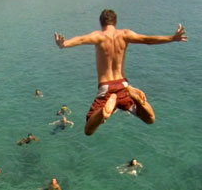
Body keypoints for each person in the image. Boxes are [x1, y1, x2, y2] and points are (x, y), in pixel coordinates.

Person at [54, 9, 187, 136]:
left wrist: (64, 44)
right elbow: (147, 40)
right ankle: (136, 99)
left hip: (106, 87)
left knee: (88, 129)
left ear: (101, 23)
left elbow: (81, 39)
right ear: (115, 22)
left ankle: (103, 113)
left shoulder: (98, 36)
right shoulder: (124, 34)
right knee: (150, 119)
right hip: (123, 85)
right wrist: (172, 38)